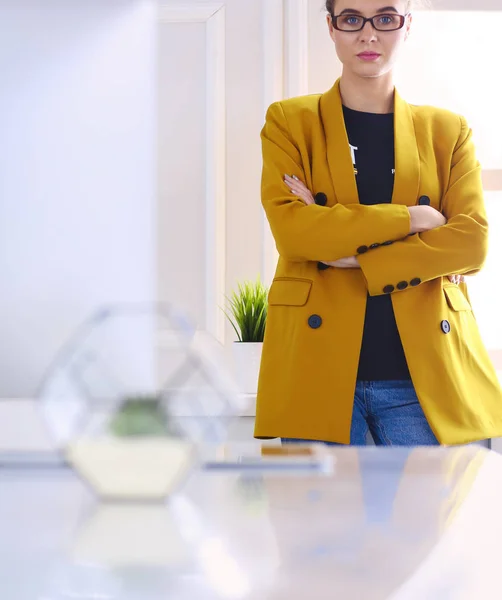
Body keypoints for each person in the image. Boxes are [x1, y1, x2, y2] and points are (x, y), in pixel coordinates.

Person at [254, 0, 502, 446]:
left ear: (407, 25)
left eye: (385, 19)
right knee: (311, 517)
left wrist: (355, 257)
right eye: (352, 19)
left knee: (431, 516)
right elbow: (294, 233)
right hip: (316, 368)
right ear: (331, 27)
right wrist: (415, 218)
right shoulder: (290, 122)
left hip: (424, 373)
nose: (369, 35)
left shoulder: (448, 130)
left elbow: (471, 244)